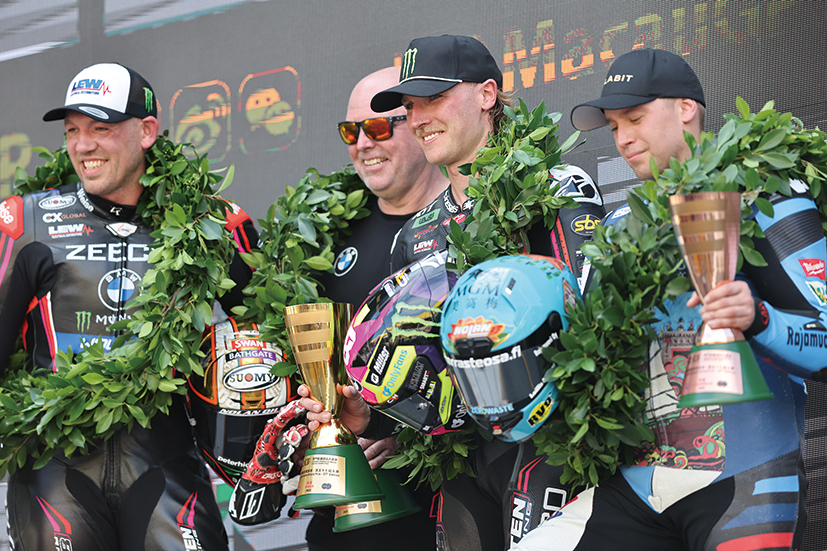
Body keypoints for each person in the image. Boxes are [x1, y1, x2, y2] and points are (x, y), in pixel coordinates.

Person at [510, 48, 827, 551]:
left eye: (634, 119)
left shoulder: (764, 194)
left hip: (743, 480)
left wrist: (759, 317)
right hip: (638, 486)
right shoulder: (619, 228)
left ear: (685, 108)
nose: (622, 139)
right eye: (614, 126)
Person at [302, 35, 605, 551]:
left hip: (554, 449)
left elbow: (595, 329)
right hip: (463, 467)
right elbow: (427, 381)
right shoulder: (415, 233)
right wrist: (373, 417)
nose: (419, 118)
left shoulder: (555, 187)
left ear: (487, 94)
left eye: (434, 98)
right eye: (410, 106)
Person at [0, 63, 258, 551]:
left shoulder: (213, 225)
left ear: (147, 131)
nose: (83, 145)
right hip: (54, 468)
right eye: (72, 130)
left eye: (101, 129)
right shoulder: (24, 223)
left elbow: (265, 342)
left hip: (166, 461)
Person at [305, 66, 447, 551]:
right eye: (352, 131)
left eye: (380, 126)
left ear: (418, 122)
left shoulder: (467, 224)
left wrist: (406, 430)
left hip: (444, 503)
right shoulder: (325, 232)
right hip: (342, 511)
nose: (364, 143)